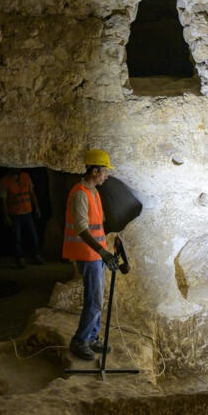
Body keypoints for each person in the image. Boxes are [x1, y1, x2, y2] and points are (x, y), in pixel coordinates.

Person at [64, 149, 119, 361]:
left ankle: (93, 336)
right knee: (94, 300)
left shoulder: (93, 191)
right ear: (95, 171)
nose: (107, 175)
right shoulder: (80, 194)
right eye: (105, 171)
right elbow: (81, 228)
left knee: (96, 298)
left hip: (96, 255)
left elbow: (98, 225)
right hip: (88, 255)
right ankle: (80, 341)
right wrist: (102, 251)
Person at [0, 169, 44, 268]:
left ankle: (36, 255)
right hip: (15, 214)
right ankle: (19, 258)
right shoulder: (4, 181)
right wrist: (6, 216)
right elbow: (3, 200)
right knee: (16, 238)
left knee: (33, 235)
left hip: (27, 212)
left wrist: (37, 208)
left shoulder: (25, 176)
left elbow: (31, 193)